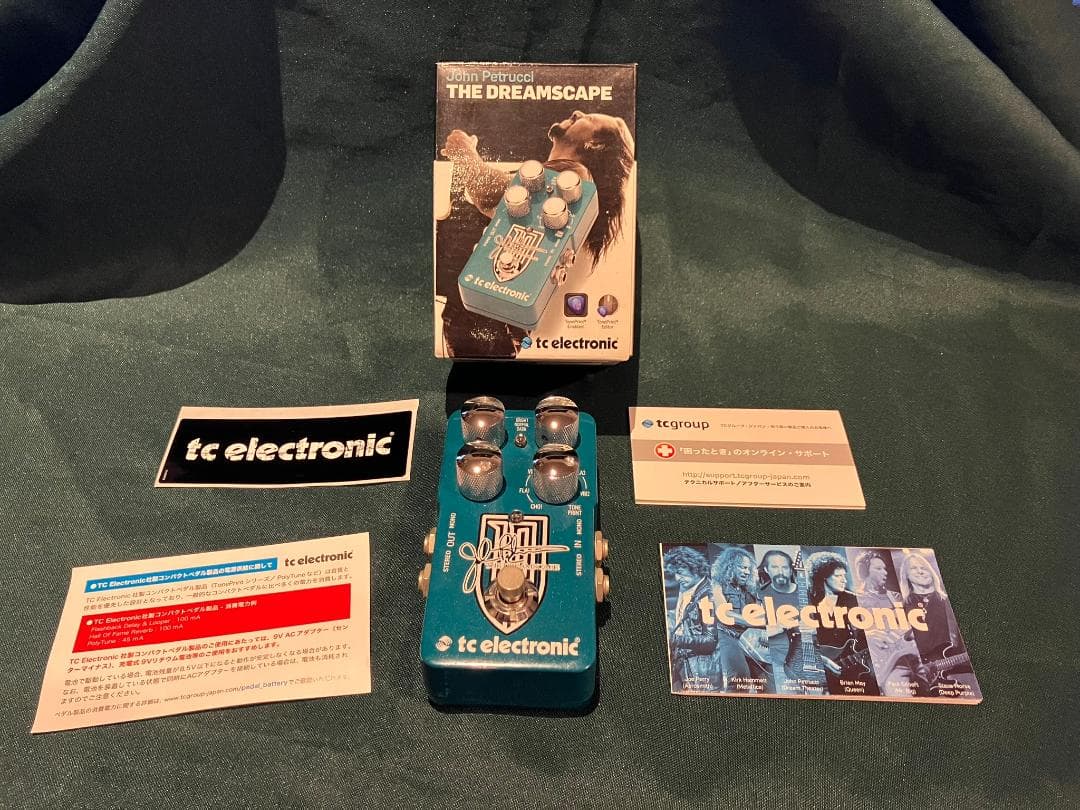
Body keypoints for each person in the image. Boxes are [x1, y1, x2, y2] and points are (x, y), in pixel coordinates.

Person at [438, 111, 635, 357]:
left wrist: (465, 152)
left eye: (589, 118)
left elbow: (489, 194)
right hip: (495, 315)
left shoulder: (572, 175)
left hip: (492, 316)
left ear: (594, 144)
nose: (577, 112)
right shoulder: (559, 178)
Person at [854, 550, 927, 697]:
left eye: (885, 568)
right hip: (888, 666)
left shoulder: (895, 597)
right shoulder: (856, 599)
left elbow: (911, 629)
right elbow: (852, 637)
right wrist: (869, 635)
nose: (885, 572)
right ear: (864, 572)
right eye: (878, 569)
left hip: (912, 657)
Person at [807, 551, 880, 696]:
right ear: (823, 576)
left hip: (855, 665)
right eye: (838, 576)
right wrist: (821, 660)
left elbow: (866, 635)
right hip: (822, 668)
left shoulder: (853, 600)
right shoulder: (809, 601)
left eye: (844, 576)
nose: (844, 580)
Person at [899, 551, 972, 691]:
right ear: (906, 575)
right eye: (914, 568)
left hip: (954, 668)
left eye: (924, 568)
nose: (920, 571)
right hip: (919, 673)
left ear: (931, 572)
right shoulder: (903, 605)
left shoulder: (947, 602)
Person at [663, 546, 718, 692]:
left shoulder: (707, 596)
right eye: (675, 574)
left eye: (680, 573)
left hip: (700, 671)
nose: (677, 578)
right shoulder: (687, 589)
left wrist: (674, 639)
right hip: (683, 663)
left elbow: (710, 641)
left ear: (694, 568)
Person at [709, 546, 765, 691]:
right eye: (742, 567)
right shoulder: (717, 585)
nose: (747, 572)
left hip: (750, 638)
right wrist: (756, 621)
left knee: (766, 683)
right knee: (740, 680)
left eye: (748, 568)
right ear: (730, 566)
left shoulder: (749, 589)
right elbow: (724, 613)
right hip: (728, 636)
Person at [758, 549, 805, 694]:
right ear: (766, 569)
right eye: (775, 567)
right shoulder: (760, 594)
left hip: (805, 658)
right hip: (776, 662)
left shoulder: (805, 593)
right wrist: (781, 626)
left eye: (784, 567)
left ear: (791, 570)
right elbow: (757, 634)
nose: (780, 572)